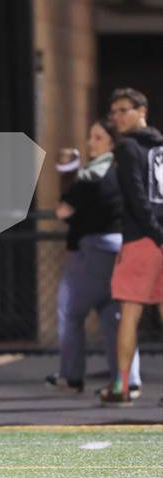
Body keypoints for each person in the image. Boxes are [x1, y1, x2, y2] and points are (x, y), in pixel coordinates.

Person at [45, 119, 141, 396]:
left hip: (93, 250)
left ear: (112, 142)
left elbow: (63, 210)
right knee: (115, 316)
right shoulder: (124, 173)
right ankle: (127, 380)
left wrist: (67, 175)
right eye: (91, 137)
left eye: (98, 137)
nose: (91, 143)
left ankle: (71, 376)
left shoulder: (92, 175)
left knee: (70, 310)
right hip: (120, 249)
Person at [100, 88, 163, 407]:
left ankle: (121, 387)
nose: (117, 118)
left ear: (142, 111)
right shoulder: (160, 147)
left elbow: (136, 196)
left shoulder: (127, 147)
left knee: (129, 314)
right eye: (114, 112)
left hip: (142, 240)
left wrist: (155, 233)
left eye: (123, 110)